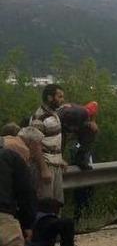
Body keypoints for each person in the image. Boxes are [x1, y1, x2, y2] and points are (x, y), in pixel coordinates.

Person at [30, 84, 66, 213]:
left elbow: (53, 141)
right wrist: (44, 168)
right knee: (45, 205)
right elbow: (34, 143)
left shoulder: (54, 114)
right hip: (46, 165)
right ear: (50, 98)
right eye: (59, 96)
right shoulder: (40, 117)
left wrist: (60, 159)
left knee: (56, 204)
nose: (62, 99)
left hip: (55, 164)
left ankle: (55, 231)